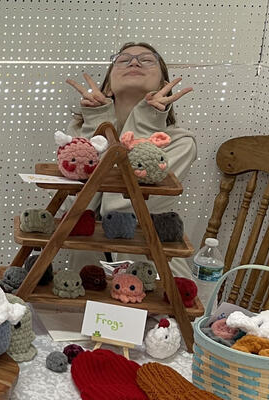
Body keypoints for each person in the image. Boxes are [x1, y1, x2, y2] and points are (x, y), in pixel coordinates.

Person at [64, 41, 197, 278]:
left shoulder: (180, 144)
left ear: (163, 86)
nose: (134, 62)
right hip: (86, 275)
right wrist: (97, 127)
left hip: (156, 276)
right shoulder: (78, 136)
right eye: (123, 60)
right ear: (107, 87)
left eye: (147, 60)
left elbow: (120, 209)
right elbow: (74, 208)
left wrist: (147, 121)